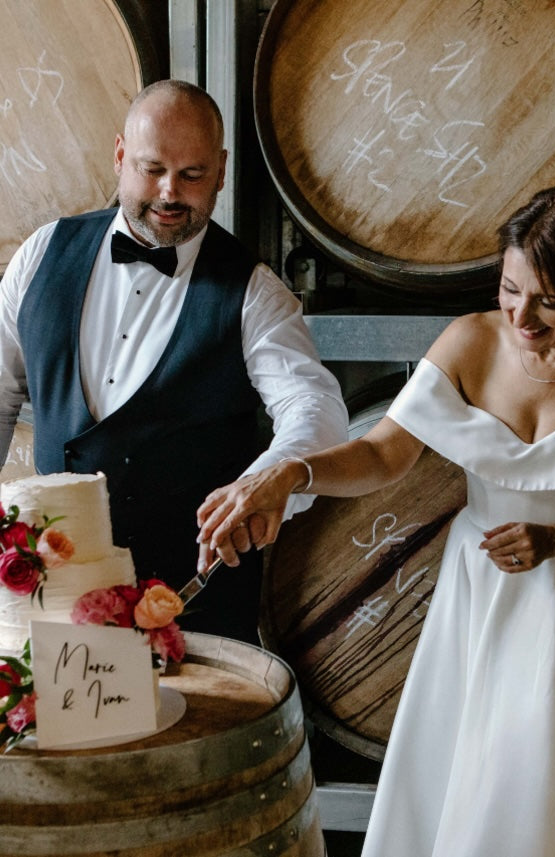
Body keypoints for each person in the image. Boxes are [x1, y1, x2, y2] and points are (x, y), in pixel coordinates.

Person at [196, 184, 555, 855]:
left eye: (548, 300)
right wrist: (291, 471)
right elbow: (382, 454)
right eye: (509, 287)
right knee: (481, 786)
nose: (521, 314)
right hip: (481, 595)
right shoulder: (468, 341)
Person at [0, 79, 348, 645]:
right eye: (151, 168)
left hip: (193, 609)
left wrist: (268, 479)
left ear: (222, 170)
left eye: (192, 175)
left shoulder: (254, 291)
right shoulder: (42, 253)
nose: (168, 192)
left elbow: (316, 408)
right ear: (119, 156)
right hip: (55, 600)